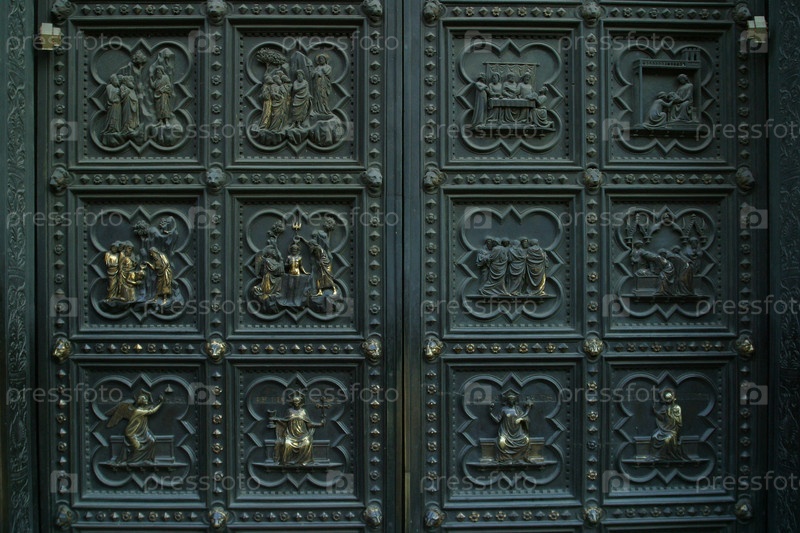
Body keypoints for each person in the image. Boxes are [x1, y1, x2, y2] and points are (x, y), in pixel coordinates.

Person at [106, 391, 165, 464]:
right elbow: (152, 411)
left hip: (142, 431)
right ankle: (133, 461)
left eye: (146, 399)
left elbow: (151, 407)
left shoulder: (143, 409)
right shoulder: (138, 411)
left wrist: (158, 401)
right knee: (138, 447)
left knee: (152, 441)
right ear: (141, 401)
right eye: (145, 399)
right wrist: (161, 403)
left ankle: (147, 459)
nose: (147, 400)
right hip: (132, 432)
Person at [269, 392, 324, 465]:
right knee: (287, 444)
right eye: (295, 402)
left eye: (297, 402)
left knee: (307, 443)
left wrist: (320, 424)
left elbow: (309, 424)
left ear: (300, 402)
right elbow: (285, 423)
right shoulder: (289, 411)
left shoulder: (303, 411)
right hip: (290, 436)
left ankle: (303, 462)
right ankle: (287, 462)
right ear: (292, 402)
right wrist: (277, 420)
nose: (296, 403)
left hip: (303, 435)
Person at [491, 390, 533, 463]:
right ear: (507, 401)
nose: (511, 401)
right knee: (501, 442)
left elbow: (526, 418)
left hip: (518, 432)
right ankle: (506, 459)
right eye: (509, 399)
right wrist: (490, 413)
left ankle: (521, 458)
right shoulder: (503, 409)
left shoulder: (518, 409)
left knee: (526, 440)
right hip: (506, 432)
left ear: (515, 400)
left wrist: (521, 419)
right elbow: (497, 420)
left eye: (512, 399)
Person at [649, 389, 688, 460]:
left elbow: (678, 421)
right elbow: (661, 418)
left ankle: (663, 456)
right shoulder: (664, 407)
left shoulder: (677, 407)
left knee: (667, 440)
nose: (668, 401)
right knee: (654, 436)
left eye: (669, 400)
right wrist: (655, 411)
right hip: (664, 429)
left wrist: (671, 414)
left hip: (672, 430)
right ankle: (655, 456)